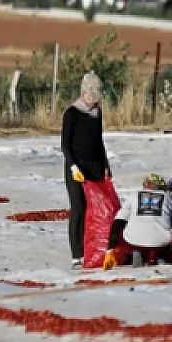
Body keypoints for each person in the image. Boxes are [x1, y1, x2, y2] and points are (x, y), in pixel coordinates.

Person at [62, 72, 112, 264]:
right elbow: (65, 145)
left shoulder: (97, 113)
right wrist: (73, 166)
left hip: (95, 165)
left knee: (96, 208)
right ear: (84, 93)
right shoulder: (71, 113)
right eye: (92, 96)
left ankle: (94, 247)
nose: (95, 101)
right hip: (76, 167)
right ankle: (77, 254)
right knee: (78, 208)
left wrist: (106, 165)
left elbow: (99, 141)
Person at [103, 173, 172, 269]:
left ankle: (136, 253)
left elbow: (117, 223)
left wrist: (110, 249)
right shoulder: (169, 199)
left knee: (126, 230)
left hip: (133, 243)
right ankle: (161, 257)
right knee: (168, 225)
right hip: (161, 244)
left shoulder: (133, 196)